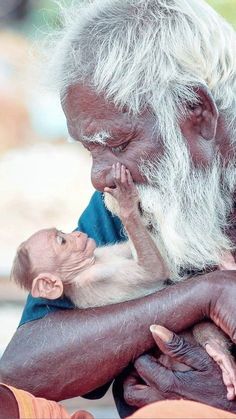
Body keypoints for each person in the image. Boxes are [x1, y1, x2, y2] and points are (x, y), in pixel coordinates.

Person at [0, 0, 236, 417]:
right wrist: (204, 293)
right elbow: (21, 373)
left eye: (117, 144)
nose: (99, 176)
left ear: (196, 112)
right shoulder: (131, 197)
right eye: (90, 149)